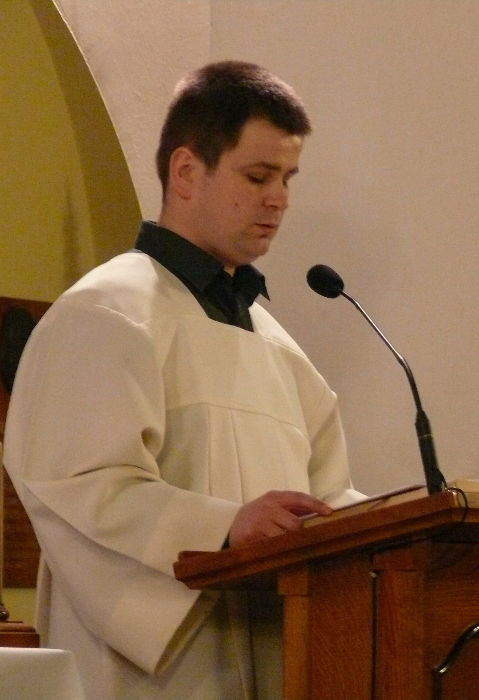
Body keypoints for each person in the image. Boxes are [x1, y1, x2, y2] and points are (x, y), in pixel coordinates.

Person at [3, 61, 361, 700]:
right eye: (258, 176)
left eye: (287, 179)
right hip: (163, 673)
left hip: (278, 653)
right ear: (188, 171)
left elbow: (329, 503)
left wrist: (444, 512)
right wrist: (223, 527)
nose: (278, 199)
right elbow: (77, 487)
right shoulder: (105, 314)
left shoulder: (283, 353)